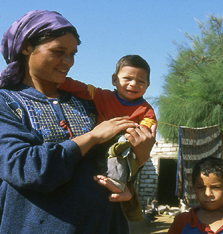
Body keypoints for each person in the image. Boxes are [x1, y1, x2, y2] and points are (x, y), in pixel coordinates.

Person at [0, 10, 155, 234]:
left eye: (73, 53)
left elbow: (108, 163)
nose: (68, 61)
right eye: (58, 51)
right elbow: (25, 167)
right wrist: (93, 137)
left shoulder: (87, 105)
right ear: (26, 46)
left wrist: (135, 167)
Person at [59, 55, 156, 192]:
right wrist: (59, 82)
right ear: (114, 80)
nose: (133, 84)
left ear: (147, 85)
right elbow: (80, 88)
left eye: (140, 81)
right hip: (96, 144)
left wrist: (129, 138)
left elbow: (147, 127)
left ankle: (117, 184)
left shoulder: (146, 109)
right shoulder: (102, 96)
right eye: (127, 78)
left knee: (120, 156)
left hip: (121, 147)